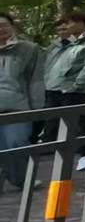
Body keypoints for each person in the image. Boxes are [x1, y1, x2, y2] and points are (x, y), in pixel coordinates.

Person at [42, 13, 85, 149]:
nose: (67, 27)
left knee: (76, 120)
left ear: (81, 23)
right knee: (52, 119)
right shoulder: (66, 42)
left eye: (69, 23)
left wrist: (78, 85)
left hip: (72, 88)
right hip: (53, 86)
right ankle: (49, 145)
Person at [0, 13, 44, 188]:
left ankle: (21, 179)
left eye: (4, 25)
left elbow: (36, 80)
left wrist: (38, 108)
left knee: (16, 143)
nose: (0, 29)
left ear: (13, 27)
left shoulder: (28, 49)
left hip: (16, 106)